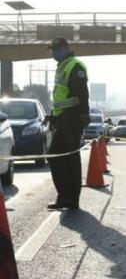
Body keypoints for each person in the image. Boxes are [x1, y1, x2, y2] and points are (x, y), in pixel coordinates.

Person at [47, 37, 90, 210]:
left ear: (66, 48)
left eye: (57, 49)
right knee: (60, 157)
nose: (54, 53)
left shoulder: (74, 65)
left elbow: (82, 92)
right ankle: (67, 197)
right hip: (63, 117)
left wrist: (84, 114)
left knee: (67, 157)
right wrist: (54, 115)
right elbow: (61, 95)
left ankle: (70, 198)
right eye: (52, 50)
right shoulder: (62, 66)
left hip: (72, 118)